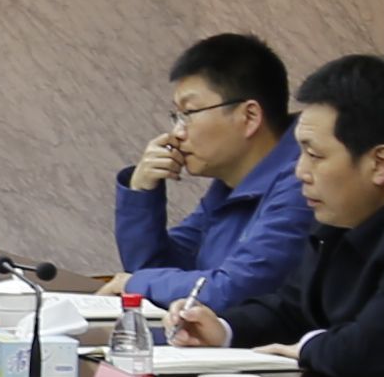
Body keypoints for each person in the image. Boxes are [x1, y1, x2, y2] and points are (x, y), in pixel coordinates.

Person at [167, 51, 384, 377]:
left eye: (315, 155)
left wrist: (307, 346)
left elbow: (368, 350)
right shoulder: (338, 222)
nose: (300, 172)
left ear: (380, 163)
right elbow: (289, 308)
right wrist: (222, 328)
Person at [110, 32, 314, 326]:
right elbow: (158, 269)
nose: (177, 133)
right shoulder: (230, 185)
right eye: (176, 117)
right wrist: (142, 192)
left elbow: (233, 290)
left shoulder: (302, 182)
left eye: (189, 113)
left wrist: (135, 284)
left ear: (249, 117)